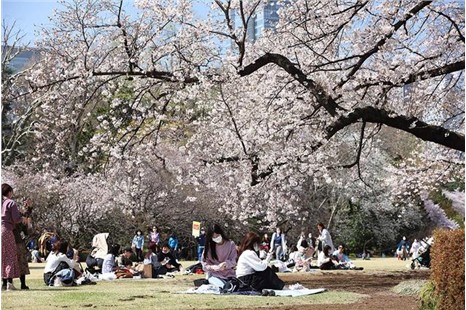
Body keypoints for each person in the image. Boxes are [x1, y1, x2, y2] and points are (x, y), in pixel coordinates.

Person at [2, 183, 24, 291]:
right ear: (9, 192)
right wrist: (22, 217)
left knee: (2, 256)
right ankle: (9, 283)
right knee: (10, 255)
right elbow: (16, 219)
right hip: (7, 230)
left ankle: (3, 283)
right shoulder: (11, 203)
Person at [201, 223, 237, 289]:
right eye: (213, 237)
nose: (216, 238)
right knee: (222, 286)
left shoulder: (230, 244)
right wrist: (212, 267)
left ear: (221, 233)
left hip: (229, 274)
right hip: (214, 275)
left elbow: (233, 260)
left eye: (217, 235)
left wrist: (226, 264)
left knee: (232, 286)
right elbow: (204, 263)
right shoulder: (209, 246)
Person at [14, 198, 34, 290]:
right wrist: (29, 209)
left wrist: (29, 209)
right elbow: (25, 217)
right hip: (17, 241)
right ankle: (22, 284)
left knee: (7, 261)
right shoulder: (17, 216)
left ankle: (6, 283)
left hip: (10, 240)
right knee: (22, 262)